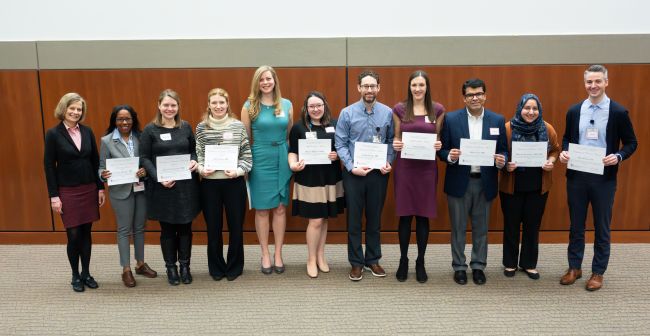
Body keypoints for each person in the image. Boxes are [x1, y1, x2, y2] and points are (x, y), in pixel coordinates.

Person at [558, 64, 637, 291]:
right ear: (585, 84)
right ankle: (574, 267)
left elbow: (632, 143)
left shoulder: (618, 112)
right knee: (576, 225)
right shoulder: (574, 111)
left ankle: (598, 272)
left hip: (604, 179)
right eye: (589, 82)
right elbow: (566, 138)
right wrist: (564, 152)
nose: (593, 86)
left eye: (598, 81)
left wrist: (619, 156)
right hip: (577, 176)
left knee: (602, 226)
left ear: (606, 82)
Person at [438, 78, 507, 286]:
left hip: (485, 182)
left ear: (485, 95)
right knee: (458, 228)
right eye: (470, 95)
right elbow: (442, 150)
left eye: (478, 94)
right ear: (464, 98)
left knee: (481, 228)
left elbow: (503, 149)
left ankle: (478, 265)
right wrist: (449, 155)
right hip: (459, 181)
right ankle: (459, 266)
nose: (474, 98)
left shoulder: (497, 120)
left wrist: (501, 160)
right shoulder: (451, 119)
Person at [335, 70, 394, 281]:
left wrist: (389, 161)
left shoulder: (388, 113)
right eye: (365, 86)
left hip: (378, 174)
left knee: (374, 218)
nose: (369, 90)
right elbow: (340, 144)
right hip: (354, 174)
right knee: (354, 220)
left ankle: (372, 260)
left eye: (373, 86)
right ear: (359, 88)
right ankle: (356, 263)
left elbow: (391, 142)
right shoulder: (347, 113)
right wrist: (351, 167)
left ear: (378, 88)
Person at [44, 92, 105, 292]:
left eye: (79, 109)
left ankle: (86, 273)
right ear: (64, 109)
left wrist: (100, 187)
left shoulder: (87, 132)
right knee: (74, 234)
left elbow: (95, 161)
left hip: (88, 188)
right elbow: (49, 166)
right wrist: (54, 196)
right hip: (67, 191)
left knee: (86, 233)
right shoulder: (53, 134)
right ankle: (75, 275)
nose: (76, 112)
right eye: (72, 108)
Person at [140, 89, 200, 286]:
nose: (169, 108)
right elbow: (145, 158)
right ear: (159, 106)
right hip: (162, 188)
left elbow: (193, 151)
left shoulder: (185, 127)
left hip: (186, 188)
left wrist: (194, 161)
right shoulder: (150, 130)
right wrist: (158, 177)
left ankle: (185, 266)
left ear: (178, 107)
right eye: (166, 105)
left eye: (173, 105)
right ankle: (171, 267)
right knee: (167, 230)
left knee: (185, 228)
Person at [499, 94, 560, 280]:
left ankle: (529, 263)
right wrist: (506, 163)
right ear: (520, 108)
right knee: (511, 225)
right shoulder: (508, 128)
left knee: (532, 226)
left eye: (535, 108)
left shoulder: (547, 128)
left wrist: (551, 161)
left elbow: (555, 149)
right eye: (527, 108)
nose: (531, 112)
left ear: (539, 110)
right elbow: (499, 152)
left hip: (537, 187)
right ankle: (510, 263)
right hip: (512, 186)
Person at [391, 70, 445, 283]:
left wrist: (439, 144)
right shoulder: (400, 109)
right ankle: (403, 260)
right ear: (409, 87)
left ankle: (420, 261)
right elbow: (396, 137)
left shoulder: (438, 109)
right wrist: (396, 144)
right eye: (414, 85)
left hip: (426, 169)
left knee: (423, 216)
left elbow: (438, 139)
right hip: (405, 168)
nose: (418, 89)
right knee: (405, 216)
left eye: (421, 85)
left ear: (427, 87)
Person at [241, 65, 293, 274]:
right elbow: (245, 139)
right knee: (262, 209)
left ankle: (278, 253)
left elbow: (289, 135)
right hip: (259, 159)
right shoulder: (249, 106)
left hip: (280, 156)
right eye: (261, 79)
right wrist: (245, 165)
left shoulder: (286, 104)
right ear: (257, 83)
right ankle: (264, 253)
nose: (265, 82)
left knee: (280, 208)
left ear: (274, 81)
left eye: (268, 79)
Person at [196, 88, 252, 282]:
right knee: (213, 228)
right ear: (209, 105)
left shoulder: (237, 126)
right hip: (210, 185)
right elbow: (199, 155)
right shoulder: (201, 127)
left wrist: (237, 171)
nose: (218, 106)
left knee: (236, 227)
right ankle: (216, 266)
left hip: (234, 183)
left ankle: (235, 266)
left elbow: (247, 156)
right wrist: (201, 169)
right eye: (214, 103)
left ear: (227, 104)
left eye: (222, 102)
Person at [98, 105, 157, 287]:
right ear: (114, 121)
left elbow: (147, 161)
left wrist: (144, 171)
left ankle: (140, 264)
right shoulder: (107, 141)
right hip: (120, 191)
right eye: (120, 119)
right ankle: (126, 269)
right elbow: (101, 167)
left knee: (139, 228)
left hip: (140, 188)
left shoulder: (141, 138)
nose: (124, 122)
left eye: (128, 119)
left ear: (133, 120)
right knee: (124, 230)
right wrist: (103, 175)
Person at [288, 91, 345, 278]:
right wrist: (293, 164)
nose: (315, 109)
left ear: (324, 105)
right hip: (309, 179)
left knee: (324, 217)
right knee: (315, 220)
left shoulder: (335, 125)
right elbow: (292, 151)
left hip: (329, 177)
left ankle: (321, 256)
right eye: (312, 106)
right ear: (306, 108)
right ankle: (311, 258)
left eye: (319, 105)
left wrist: (336, 155)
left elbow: (341, 148)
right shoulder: (299, 127)